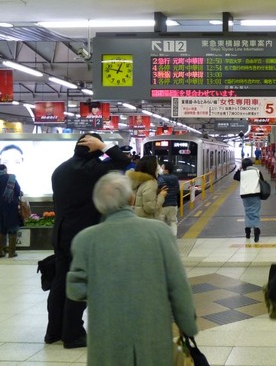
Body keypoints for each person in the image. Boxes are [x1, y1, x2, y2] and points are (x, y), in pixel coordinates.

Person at [66, 172, 198, 366]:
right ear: (131, 198)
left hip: (107, 340)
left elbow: (75, 290)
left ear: (99, 204)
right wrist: (187, 324)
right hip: (153, 336)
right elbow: (178, 286)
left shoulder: (85, 240)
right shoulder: (159, 232)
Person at [45, 133, 131, 348]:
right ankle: (73, 335)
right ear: (93, 150)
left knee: (60, 283)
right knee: (79, 283)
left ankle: (53, 332)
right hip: (81, 236)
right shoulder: (91, 170)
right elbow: (123, 161)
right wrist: (103, 145)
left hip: (60, 233)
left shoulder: (61, 169)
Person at [233, 158, 265, 242]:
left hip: (245, 195)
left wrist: (239, 169)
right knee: (255, 213)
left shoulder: (242, 173)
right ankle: (256, 230)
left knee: (248, 212)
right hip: (256, 194)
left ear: (243, 165)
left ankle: (247, 232)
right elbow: (262, 181)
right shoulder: (257, 172)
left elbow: (235, 177)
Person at [0, 164, 22, 258]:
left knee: (1, 230)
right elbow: (17, 191)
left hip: (0, 207)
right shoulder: (11, 178)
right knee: (12, 229)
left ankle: (1, 252)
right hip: (11, 206)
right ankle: (11, 253)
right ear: (5, 170)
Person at [157, 161, 180, 236]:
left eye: (162, 167)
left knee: (161, 223)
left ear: (166, 170)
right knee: (173, 222)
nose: (160, 169)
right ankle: (173, 238)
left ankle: (164, 239)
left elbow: (160, 187)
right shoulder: (175, 178)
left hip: (163, 205)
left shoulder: (160, 178)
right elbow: (177, 190)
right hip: (173, 204)